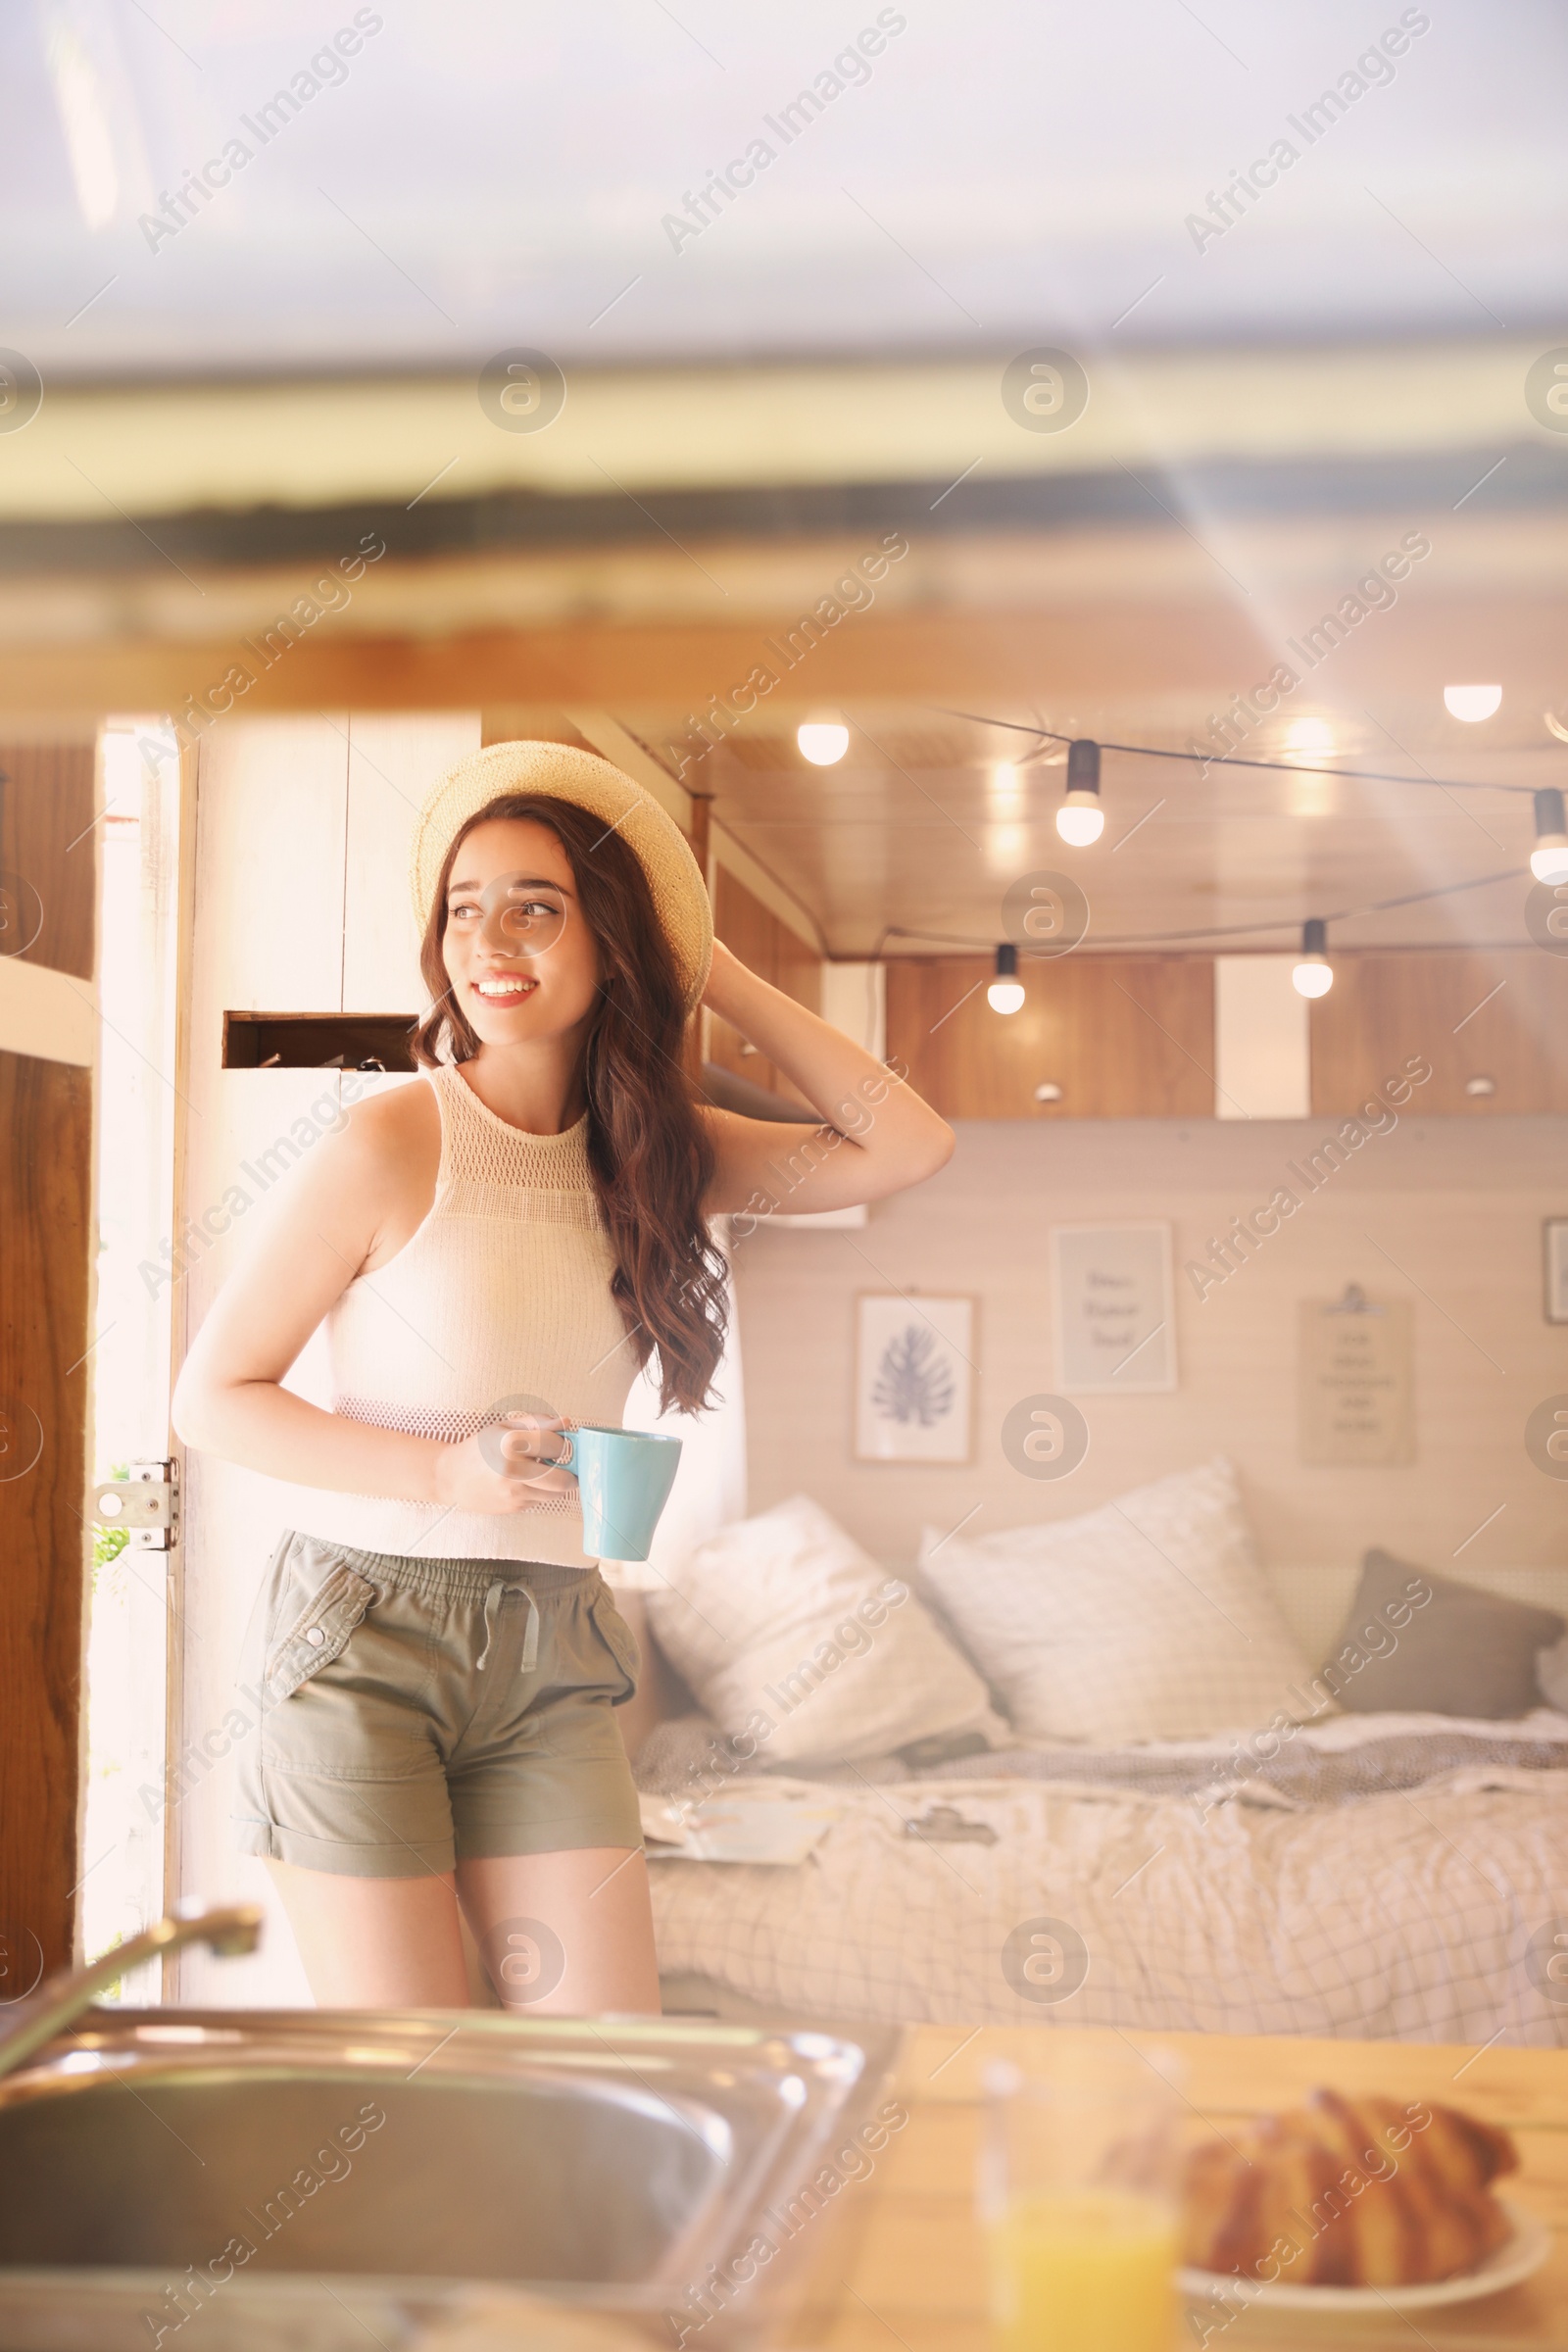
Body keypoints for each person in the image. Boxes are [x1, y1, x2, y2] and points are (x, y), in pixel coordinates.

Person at [173, 740, 955, 2014]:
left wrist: (717, 967)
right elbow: (213, 1398)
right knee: (421, 2090)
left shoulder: (662, 1154)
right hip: (362, 1642)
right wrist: (440, 1471)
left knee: (601, 2057)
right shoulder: (390, 1139)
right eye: (465, 908)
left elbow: (910, 1144)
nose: (494, 939)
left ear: (613, 942)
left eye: (539, 905)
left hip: (553, 1648)